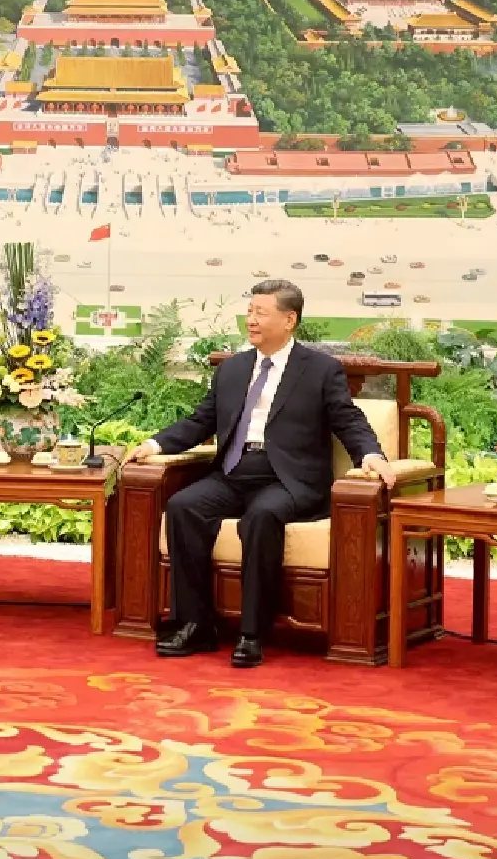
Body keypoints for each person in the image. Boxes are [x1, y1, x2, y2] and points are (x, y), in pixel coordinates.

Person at [127, 280, 397, 668]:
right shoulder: (233, 369)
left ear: (290, 320)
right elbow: (201, 420)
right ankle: (195, 625)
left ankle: (252, 633)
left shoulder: (320, 370)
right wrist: (154, 445)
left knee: (262, 516)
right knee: (184, 506)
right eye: (249, 311)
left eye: (261, 313)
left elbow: (348, 419)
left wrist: (370, 454)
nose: (250, 320)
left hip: (288, 479)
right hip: (234, 472)